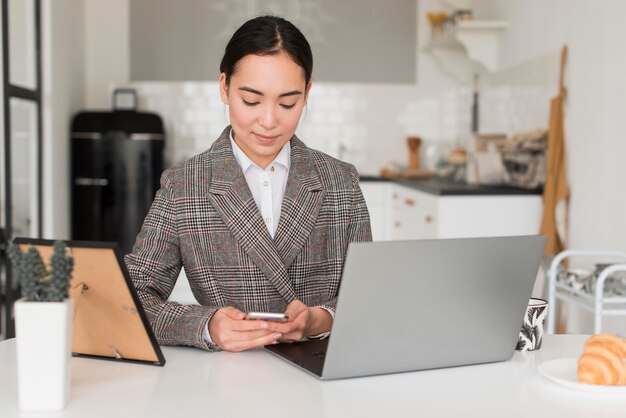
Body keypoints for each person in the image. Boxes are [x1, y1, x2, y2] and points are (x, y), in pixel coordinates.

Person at [125, 15, 372, 352]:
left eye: (288, 103)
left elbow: (367, 297)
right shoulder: (184, 186)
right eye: (252, 101)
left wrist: (321, 318)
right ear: (224, 87)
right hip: (227, 376)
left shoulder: (340, 182)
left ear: (307, 93)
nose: (269, 121)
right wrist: (207, 325)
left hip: (324, 366)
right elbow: (132, 296)